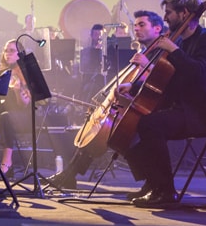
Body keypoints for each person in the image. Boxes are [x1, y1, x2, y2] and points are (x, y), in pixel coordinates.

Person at [121, 0, 206, 208]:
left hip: (202, 112)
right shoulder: (180, 41)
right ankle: (153, 183)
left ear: (184, 12)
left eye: (168, 12)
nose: (165, 17)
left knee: (150, 125)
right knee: (129, 124)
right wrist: (135, 85)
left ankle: (165, 191)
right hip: (181, 109)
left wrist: (175, 50)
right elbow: (163, 79)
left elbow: (197, 72)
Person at [47, 10, 165, 191]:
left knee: (116, 133)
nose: (137, 29)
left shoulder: (162, 53)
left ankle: (153, 183)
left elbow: (159, 83)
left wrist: (146, 66)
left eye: (142, 25)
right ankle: (69, 174)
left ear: (157, 28)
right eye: (136, 26)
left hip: (152, 109)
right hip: (134, 107)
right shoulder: (144, 51)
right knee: (100, 130)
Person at [0, 39, 32, 178]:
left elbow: (24, 104)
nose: (7, 54)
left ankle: (7, 163)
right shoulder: (1, 74)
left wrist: (16, 91)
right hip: (3, 115)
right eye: (5, 50)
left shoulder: (23, 74)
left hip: (23, 117)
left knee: (6, 116)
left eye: (12, 51)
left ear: (19, 54)